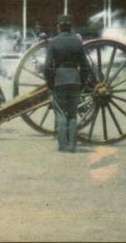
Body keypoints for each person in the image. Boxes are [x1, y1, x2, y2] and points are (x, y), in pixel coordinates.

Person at [44, 14, 92, 153]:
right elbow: (85, 66)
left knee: (60, 114)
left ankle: (63, 146)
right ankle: (72, 146)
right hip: (75, 81)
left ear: (58, 26)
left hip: (59, 81)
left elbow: (47, 67)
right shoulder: (77, 42)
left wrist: (50, 83)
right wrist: (82, 83)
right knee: (72, 114)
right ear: (70, 26)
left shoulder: (53, 42)